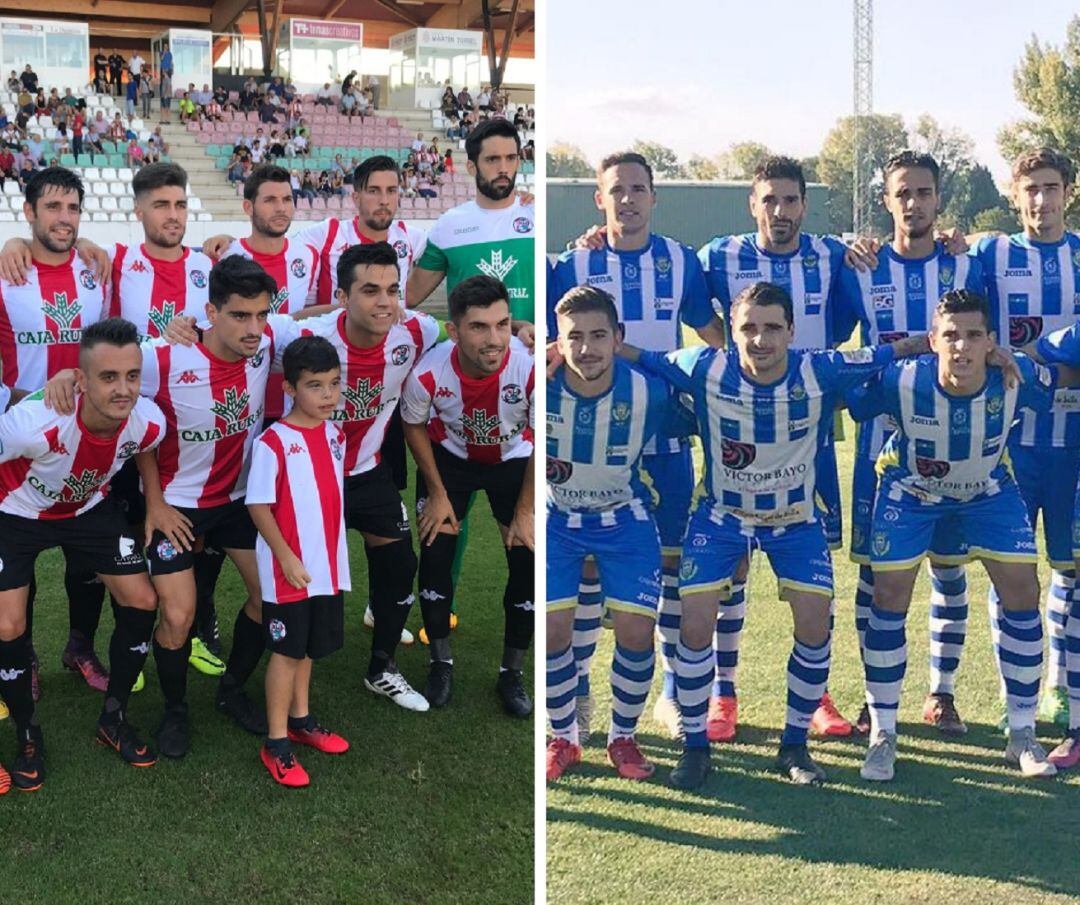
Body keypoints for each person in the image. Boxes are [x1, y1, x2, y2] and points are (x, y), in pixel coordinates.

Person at [627, 281, 933, 789]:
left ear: (791, 331)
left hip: (795, 520)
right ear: (731, 332)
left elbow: (881, 353)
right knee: (695, 623)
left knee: (815, 623)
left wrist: (929, 342)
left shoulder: (819, 369)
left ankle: (794, 745)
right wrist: (598, 347)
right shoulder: (705, 366)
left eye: (772, 327)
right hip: (722, 517)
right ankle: (695, 746)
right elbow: (646, 359)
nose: (760, 339)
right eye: (748, 328)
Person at [848, 288, 1070, 781]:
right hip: (911, 491)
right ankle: (884, 732)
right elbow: (848, 392)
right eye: (951, 336)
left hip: (986, 490)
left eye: (974, 336)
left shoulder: (1015, 377)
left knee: (1021, 591)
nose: (962, 347)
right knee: (888, 597)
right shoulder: (904, 381)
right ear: (933, 340)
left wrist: (1018, 359)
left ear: (992, 342)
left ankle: (1022, 733)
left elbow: (1061, 380)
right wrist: (890, 352)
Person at [549, 151, 721, 745]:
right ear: (599, 199)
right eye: (616, 189)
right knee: (589, 565)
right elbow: (553, 339)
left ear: (654, 197)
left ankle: (672, 696)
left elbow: (711, 332)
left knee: (670, 568)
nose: (627, 199)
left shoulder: (681, 260)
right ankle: (577, 692)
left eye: (638, 189)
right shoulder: (573, 261)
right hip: (589, 438)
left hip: (664, 437)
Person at [834, 151, 988, 737]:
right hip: (883, 453)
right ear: (887, 200)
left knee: (949, 572)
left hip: (960, 450)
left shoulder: (966, 267)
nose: (915, 203)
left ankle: (941, 694)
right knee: (877, 578)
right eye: (904, 193)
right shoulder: (859, 268)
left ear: (938, 199)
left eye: (925, 193)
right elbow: (831, 342)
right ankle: (877, 698)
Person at [0, 319, 166, 790]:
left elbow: (146, 445)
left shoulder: (148, 418)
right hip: (14, 513)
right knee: (7, 624)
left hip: (86, 509)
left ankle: (113, 720)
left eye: (131, 376)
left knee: (142, 600)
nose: (123, 390)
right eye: (108, 378)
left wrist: (154, 502)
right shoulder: (34, 426)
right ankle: (28, 734)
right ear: (81, 379)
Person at [972, 147, 1080, 735]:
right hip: (1008, 444)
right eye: (1031, 188)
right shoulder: (990, 253)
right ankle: (1015, 691)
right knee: (1009, 573)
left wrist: (1041, 352)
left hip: (1072, 443)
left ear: (1069, 190)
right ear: (1015, 195)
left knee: (1070, 574)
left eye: (1052, 186)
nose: (1042, 199)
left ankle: (1060, 690)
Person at [545, 285, 669, 782]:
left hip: (626, 521)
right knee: (554, 633)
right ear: (558, 341)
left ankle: (623, 737)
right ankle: (564, 739)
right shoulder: (542, 383)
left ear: (619, 338)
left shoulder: (650, 393)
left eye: (599, 335)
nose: (586, 348)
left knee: (637, 634)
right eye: (574, 337)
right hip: (557, 522)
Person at [401, 274, 533, 717]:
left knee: (527, 558)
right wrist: (437, 492)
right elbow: (413, 424)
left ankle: (511, 673)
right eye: (479, 327)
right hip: (450, 465)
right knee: (436, 554)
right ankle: (440, 662)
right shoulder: (427, 373)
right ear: (454, 331)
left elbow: (547, 436)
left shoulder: (529, 364)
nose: (494, 339)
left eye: (502, 324)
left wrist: (527, 509)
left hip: (514, 463)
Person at [247, 335, 351, 787]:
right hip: (288, 570)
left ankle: (302, 720)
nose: (327, 396)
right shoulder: (273, 442)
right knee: (287, 653)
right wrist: (286, 556)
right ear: (289, 388)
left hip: (325, 566)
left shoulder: (334, 433)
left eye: (333, 384)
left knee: (308, 648)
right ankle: (275, 743)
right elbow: (258, 507)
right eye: (315, 386)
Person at [408, 119, 535, 334]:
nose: (503, 168)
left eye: (510, 158)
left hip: (533, 360)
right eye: (492, 159)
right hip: (469, 362)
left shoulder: (535, 213)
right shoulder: (448, 225)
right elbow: (409, 297)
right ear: (471, 167)